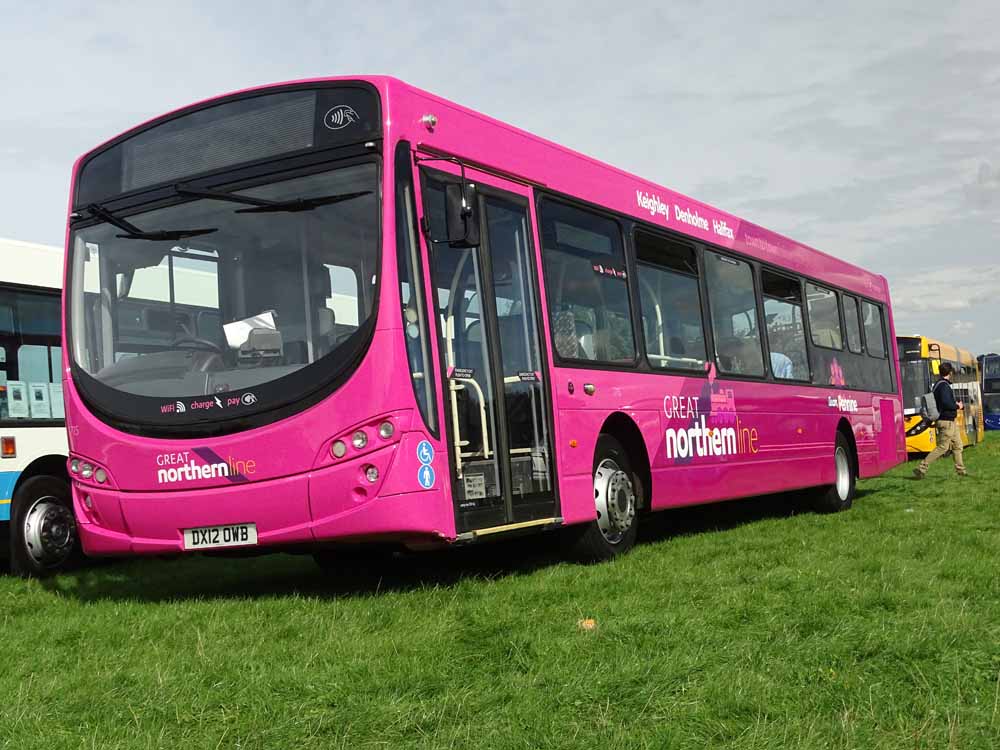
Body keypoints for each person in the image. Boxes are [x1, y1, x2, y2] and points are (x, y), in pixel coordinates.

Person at [913, 362, 966, 478]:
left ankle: (961, 471)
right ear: (950, 372)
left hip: (950, 421)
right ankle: (922, 467)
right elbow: (946, 403)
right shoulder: (944, 386)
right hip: (946, 421)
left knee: (958, 445)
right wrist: (958, 406)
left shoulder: (938, 385)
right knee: (943, 447)